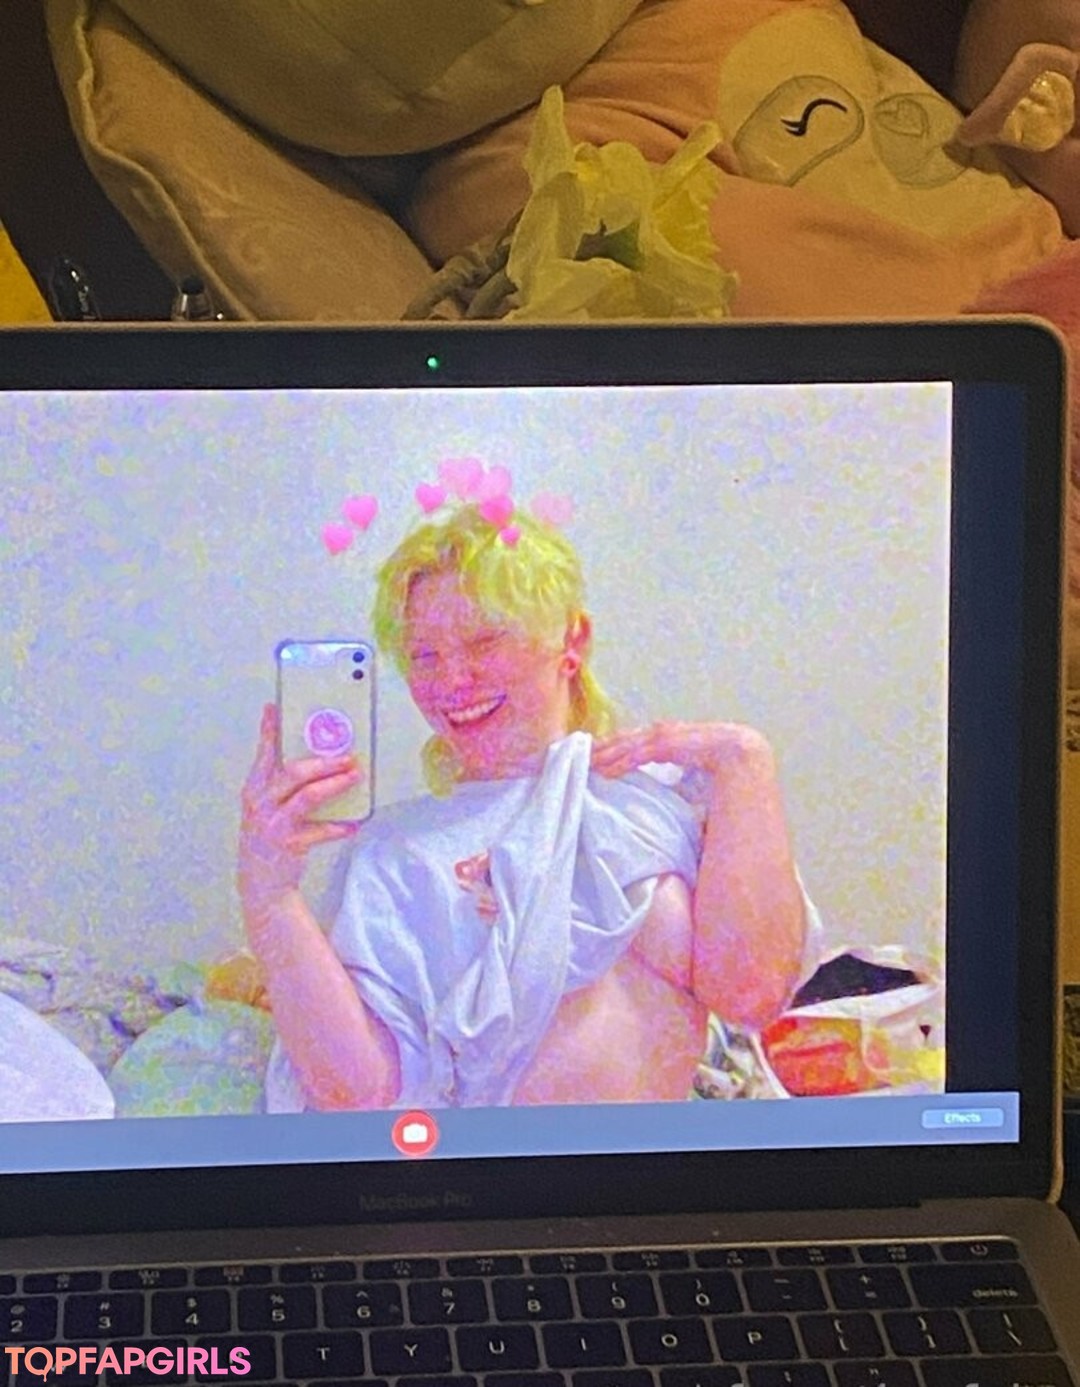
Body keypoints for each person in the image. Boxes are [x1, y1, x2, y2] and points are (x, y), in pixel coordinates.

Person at [238, 498, 814, 1111]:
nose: (452, 679)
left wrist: (745, 760)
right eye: (425, 655)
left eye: (485, 640)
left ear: (572, 640)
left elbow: (751, 993)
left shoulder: (662, 800)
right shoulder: (391, 849)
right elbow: (361, 1095)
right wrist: (270, 894)